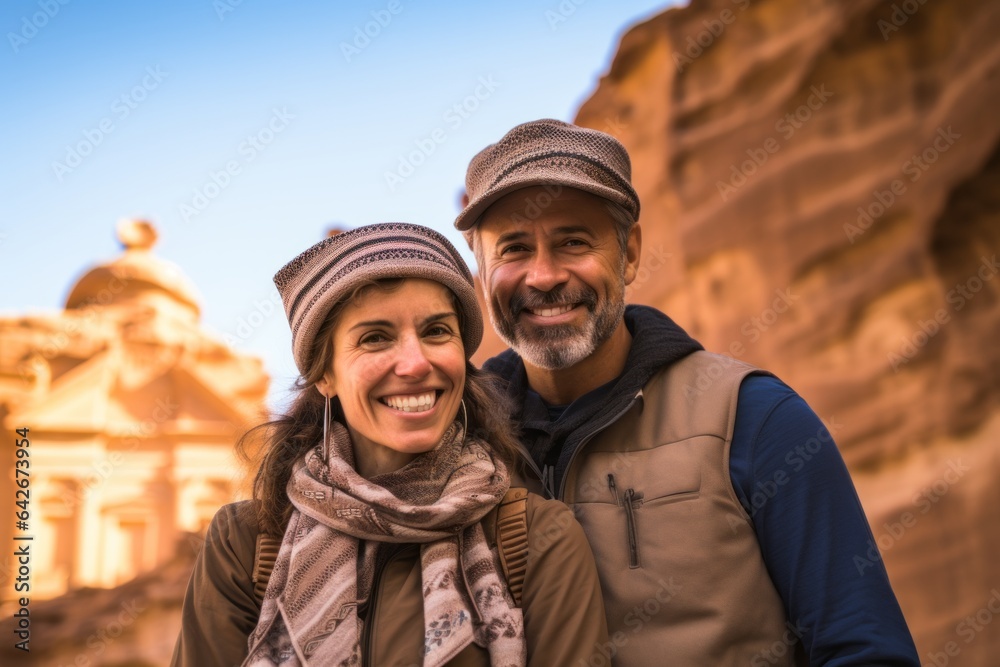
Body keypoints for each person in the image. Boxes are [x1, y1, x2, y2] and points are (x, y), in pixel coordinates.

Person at [454, 119, 921, 665]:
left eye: (573, 241)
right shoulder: (458, 444)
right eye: (513, 249)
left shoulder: (754, 419)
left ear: (629, 253)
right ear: (481, 273)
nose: (544, 276)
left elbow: (864, 649)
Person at [171, 223, 607, 667]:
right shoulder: (244, 545)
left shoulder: (535, 538)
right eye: (375, 338)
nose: (415, 364)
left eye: (437, 331)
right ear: (325, 375)